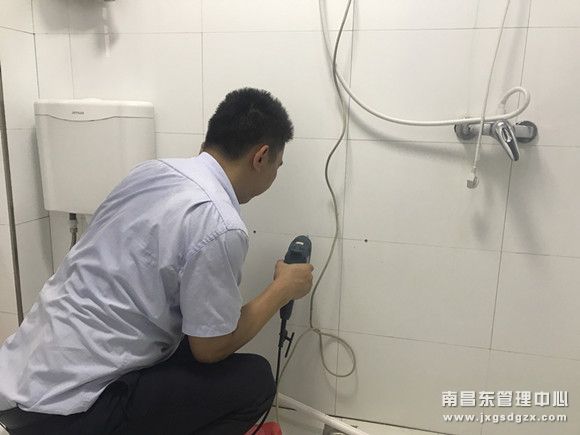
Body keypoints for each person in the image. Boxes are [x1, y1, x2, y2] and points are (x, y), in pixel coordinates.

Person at [0, 88, 314, 434]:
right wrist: (281, 290)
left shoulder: (149, 173)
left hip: (17, 382)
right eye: (277, 166)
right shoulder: (220, 222)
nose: (274, 176)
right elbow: (211, 349)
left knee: (183, 346)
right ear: (261, 156)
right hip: (68, 413)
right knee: (255, 381)